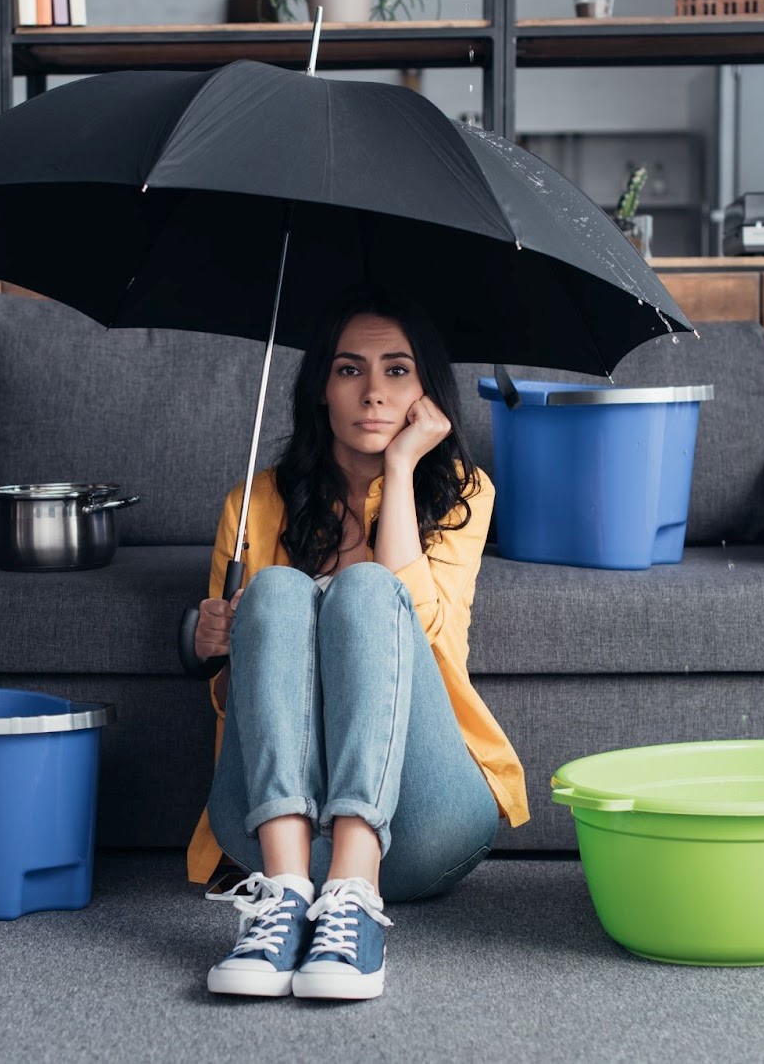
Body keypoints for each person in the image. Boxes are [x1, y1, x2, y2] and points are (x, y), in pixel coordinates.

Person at [184, 286, 530, 1002]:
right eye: (349, 370)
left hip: (425, 821)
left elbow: (430, 642)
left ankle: (355, 895)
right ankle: (282, 895)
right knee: (275, 591)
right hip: (274, 828)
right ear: (321, 390)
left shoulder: (464, 490)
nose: (373, 393)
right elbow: (230, 696)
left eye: (397, 370)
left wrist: (402, 470)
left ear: (425, 392)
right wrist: (211, 638)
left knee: (372, 588)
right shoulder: (254, 502)